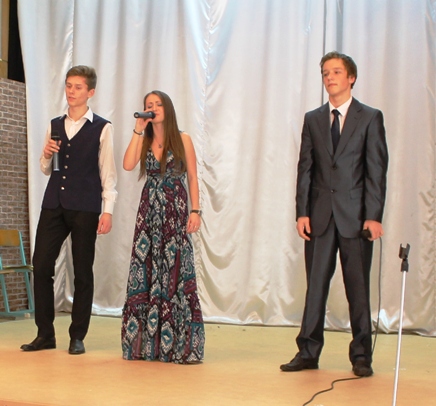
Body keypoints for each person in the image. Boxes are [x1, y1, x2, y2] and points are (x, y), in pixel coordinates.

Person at [280, 52, 388, 377]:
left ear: (351, 78)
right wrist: (302, 212)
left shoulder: (370, 117)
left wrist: (373, 216)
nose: (330, 77)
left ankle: (361, 356)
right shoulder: (314, 118)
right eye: (325, 73)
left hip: (356, 219)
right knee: (315, 287)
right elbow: (305, 168)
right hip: (320, 217)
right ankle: (308, 352)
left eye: (337, 72)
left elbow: (376, 171)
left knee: (358, 289)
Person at [21, 65, 117, 355]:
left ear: (91, 92)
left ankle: (78, 336)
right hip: (54, 204)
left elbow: (108, 172)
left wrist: (108, 210)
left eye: (78, 87)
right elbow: (46, 168)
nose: (71, 91)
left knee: (83, 271)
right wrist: (46, 155)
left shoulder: (102, 127)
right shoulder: (54, 124)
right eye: (68, 85)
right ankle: (45, 334)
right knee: (41, 265)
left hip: (86, 207)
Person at [121, 90, 205, 364]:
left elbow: (192, 177)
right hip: (149, 213)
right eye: (149, 105)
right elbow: (128, 164)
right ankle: (146, 345)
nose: (153, 108)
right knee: (147, 267)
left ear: (167, 108)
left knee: (176, 270)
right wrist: (138, 128)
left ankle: (178, 345)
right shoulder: (144, 140)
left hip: (175, 209)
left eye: (158, 104)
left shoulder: (182, 138)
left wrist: (195, 211)